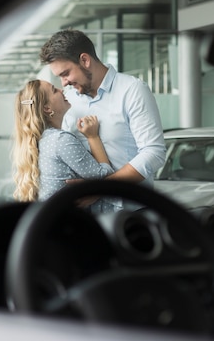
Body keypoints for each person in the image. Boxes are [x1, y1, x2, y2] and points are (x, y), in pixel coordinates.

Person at [39, 29, 166, 209]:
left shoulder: (132, 90)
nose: (64, 83)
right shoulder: (68, 100)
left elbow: (153, 153)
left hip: (130, 213)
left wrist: (101, 189)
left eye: (65, 73)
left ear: (85, 60)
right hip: (86, 217)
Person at [12, 79, 115, 212]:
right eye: (54, 90)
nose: (62, 90)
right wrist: (93, 137)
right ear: (47, 108)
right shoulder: (60, 140)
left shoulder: (43, 141)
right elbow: (104, 178)